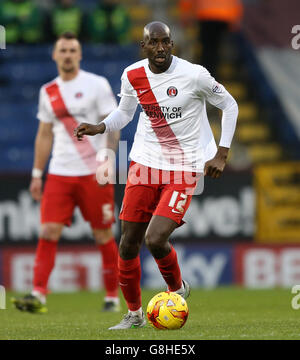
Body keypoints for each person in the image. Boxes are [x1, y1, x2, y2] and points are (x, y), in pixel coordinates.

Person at [75, 21, 238, 329]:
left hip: (185, 167)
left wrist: (222, 153)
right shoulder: (132, 75)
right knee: (128, 242)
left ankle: (176, 289)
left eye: (166, 42)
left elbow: (229, 105)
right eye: (154, 42)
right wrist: (100, 126)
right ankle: (134, 315)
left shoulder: (194, 75)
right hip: (145, 163)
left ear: (172, 44)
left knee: (156, 238)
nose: (161, 48)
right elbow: (125, 112)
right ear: (144, 46)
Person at [12, 31, 120, 313]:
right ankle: (38, 295)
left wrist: (108, 159)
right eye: (64, 50)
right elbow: (44, 134)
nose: (68, 54)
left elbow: (113, 123)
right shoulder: (47, 91)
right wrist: (37, 174)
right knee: (48, 231)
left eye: (73, 50)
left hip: (93, 172)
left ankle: (112, 296)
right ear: (55, 55)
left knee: (103, 235)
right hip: (59, 172)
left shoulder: (96, 85)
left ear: (80, 55)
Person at [179, 0, 243, 77]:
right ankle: (213, 78)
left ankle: (207, 78)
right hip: (225, 14)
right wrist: (236, 17)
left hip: (206, 14)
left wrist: (186, 12)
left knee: (208, 51)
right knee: (217, 51)